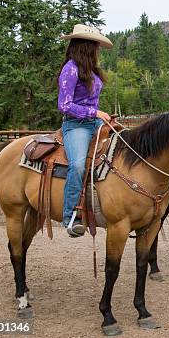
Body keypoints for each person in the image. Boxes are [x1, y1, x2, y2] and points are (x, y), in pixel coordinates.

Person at [58, 24, 113, 237]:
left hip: (94, 122)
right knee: (78, 165)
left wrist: (99, 115)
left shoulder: (91, 70)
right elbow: (64, 105)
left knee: (123, 145)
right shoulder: (70, 69)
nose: (98, 50)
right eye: (96, 46)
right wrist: (95, 113)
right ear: (86, 47)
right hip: (76, 125)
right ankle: (70, 216)